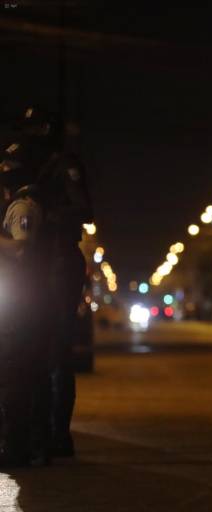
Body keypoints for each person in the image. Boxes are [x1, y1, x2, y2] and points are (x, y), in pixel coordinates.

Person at [17, 106, 93, 457]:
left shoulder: (64, 165)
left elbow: (84, 208)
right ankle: (22, 430)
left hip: (58, 260)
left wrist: (47, 214)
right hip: (23, 261)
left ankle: (57, 434)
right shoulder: (15, 163)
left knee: (55, 349)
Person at [0, 140, 50, 466]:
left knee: (15, 376)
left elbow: (20, 250)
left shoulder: (22, 208)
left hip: (19, 303)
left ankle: (18, 448)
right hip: (22, 300)